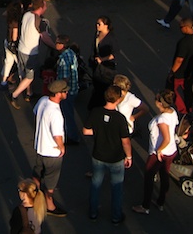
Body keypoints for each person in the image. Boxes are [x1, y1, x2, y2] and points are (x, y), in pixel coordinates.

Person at [83, 84, 132, 224]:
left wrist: (98, 131)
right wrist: (128, 156)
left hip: (98, 155)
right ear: (118, 99)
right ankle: (116, 216)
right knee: (117, 187)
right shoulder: (120, 118)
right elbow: (126, 142)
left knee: (95, 184)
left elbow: (86, 131)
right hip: (116, 158)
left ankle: (93, 212)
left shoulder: (96, 112)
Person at [131, 89, 179, 216]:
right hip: (171, 151)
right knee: (164, 175)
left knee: (148, 176)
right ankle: (160, 202)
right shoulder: (173, 112)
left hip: (160, 153)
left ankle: (145, 206)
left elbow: (166, 138)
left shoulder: (161, 120)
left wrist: (159, 150)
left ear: (160, 103)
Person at [9, 0, 56, 109]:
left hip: (21, 48)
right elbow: (45, 37)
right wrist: (54, 46)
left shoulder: (27, 15)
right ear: (40, 8)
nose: (46, 8)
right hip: (30, 53)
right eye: (44, 6)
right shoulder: (38, 21)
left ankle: (29, 93)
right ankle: (14, 95)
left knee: (24, 73)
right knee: (30, 76)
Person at [32, 79, 69, 217]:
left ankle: (32, 195)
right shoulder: (56, 113)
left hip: (40, 147)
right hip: (51, 152)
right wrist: (62, 147)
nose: (67, 92)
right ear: (59, 94)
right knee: (51, 181)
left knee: (37, 173)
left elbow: (36, 112)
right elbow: (57, 135)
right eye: (65, 91)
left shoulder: (43, 100)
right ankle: (49, 204)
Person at [166, 17, 193, 115]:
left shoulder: (183, 42)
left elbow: (179, 60)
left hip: (181, 72)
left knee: (171, 89)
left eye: (181, 27)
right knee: (188, 89)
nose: (180, 29)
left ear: (187, 27)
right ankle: (189, 108)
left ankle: (183, 110)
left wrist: (172, 72)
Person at [54, 34, 81, 145]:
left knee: (67, 114)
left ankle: (73, 136)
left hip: (67, 92)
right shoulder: (71, 53)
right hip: (74, 88)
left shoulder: (63, 59)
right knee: (68, 113)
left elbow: (65, 78)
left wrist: (58, 91)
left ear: (62, 45)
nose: (55, 44)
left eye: (57, 43)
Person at [88, 15, 117, 110]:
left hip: (107, 67)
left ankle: (99, 105)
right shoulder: (97, 34)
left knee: (103, 86)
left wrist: (102, 59)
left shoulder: (111, 38)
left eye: (99, 24)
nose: (97, 25)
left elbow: (114, 54)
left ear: (106, 25)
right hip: (97, 65)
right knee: (96, 83)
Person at [0, 0, 24, 90]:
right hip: (13, 46)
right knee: (20, 65)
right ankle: (23, 84)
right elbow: (15, 36)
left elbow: (4, 14)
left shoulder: (9, 18)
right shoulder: (16, 22)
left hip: (7, 42)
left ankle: (3, 81)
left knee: (8, 62)